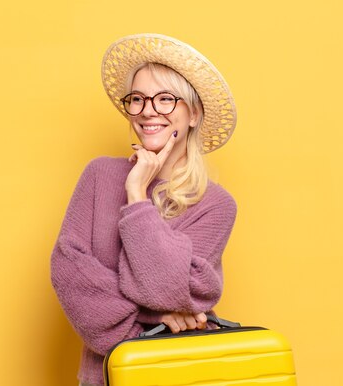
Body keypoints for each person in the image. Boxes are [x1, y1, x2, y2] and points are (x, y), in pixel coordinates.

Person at [50, 33, 238, 386]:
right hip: (106, 378)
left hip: (180, 374)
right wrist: (157, 315)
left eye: (165, 99)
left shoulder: (215, 205)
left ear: (193, 113)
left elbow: (167, 288)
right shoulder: (100, 175)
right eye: (137, 99)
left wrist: (137, 195)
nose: (148, 110)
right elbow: (68, 272)